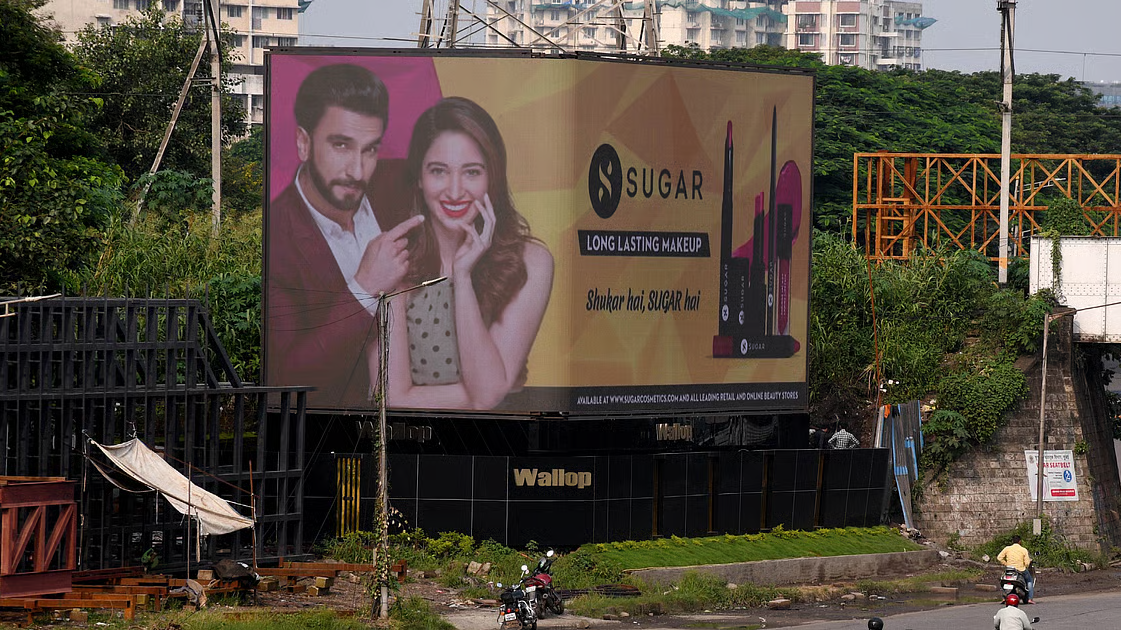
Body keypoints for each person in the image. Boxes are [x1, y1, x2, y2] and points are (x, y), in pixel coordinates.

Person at [377, 97, 554, 410]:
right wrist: (487, 387)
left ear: (492, 178)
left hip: (506, 439)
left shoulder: (531, 262)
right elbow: (391, 398)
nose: (455, 191)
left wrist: (462, 276)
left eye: (471, 172)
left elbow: (487, 398)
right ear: (419, 177)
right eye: (439, 171)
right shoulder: (393, 261)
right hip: (409, 440)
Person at [267, 63, 424, 408]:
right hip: (328, 432)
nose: (357, 170)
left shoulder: (401, 186)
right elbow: (285, 380)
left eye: (370, 149)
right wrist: (364, 289)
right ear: (303, 142)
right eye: (341, 145)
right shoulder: (279, 236)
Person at [997, 534, 1035, 604]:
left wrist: (1006, 564)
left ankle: (1004, 598)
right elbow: (1027, 563)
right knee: (1029, 581)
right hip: (1021, 570)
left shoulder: (1007, 548)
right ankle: (1030, 598)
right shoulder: (1023, 550)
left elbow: (999, 558)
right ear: (1020, 541)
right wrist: (1026, 564)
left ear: (1012, 541)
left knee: (1004, 580)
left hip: (1009, 570)